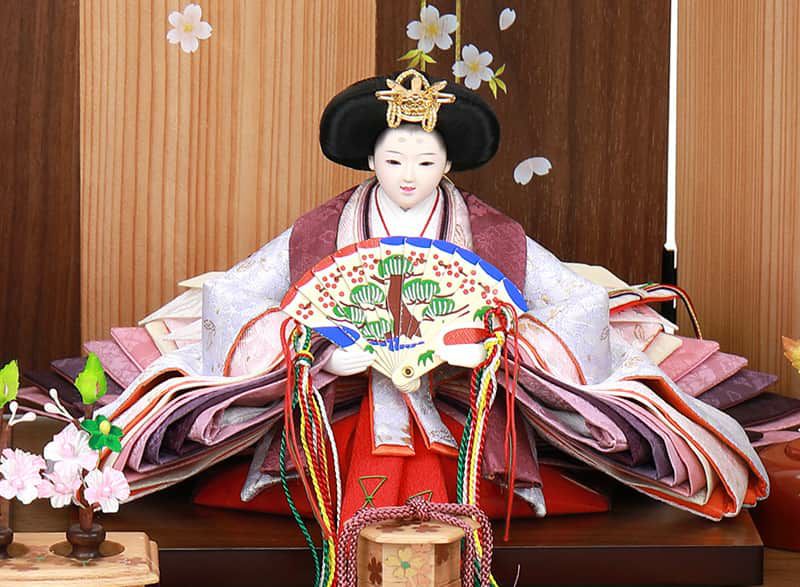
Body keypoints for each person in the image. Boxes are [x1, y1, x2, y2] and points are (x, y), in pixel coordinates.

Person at [99, 69, 767, 529]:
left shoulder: (491, 232)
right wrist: (320, 348)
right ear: (369, 162)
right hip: (341, 395)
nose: (408, 177)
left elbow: (577, 301)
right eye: (393, 161)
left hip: (462, 395)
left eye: (425, 162)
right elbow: (233, 292)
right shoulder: (321, 229)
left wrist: (494, 342)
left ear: (448, 164)